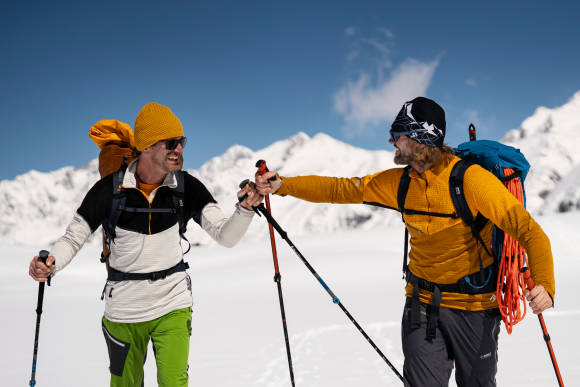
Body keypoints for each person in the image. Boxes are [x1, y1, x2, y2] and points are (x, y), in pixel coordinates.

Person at [255, 96, 555, 387]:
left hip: (475, 309)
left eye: (396, 134)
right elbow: (340, 189)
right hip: (421, 306)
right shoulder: (400, 183)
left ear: (418, 137)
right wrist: (284, 185)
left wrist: (546, 286)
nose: (391, 141)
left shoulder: (470, 181)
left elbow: (529, 231)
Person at [29, 102, 263, 386]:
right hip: (124, 310)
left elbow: (225, 237)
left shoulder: (187, 187)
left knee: (174, 382)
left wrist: (246, 209)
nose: (180, 150)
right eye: (172, 143)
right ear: (148, 146)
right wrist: (50, 263)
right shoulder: (110, 190)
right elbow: (74, 236)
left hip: (173, 303)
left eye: (182, 142)